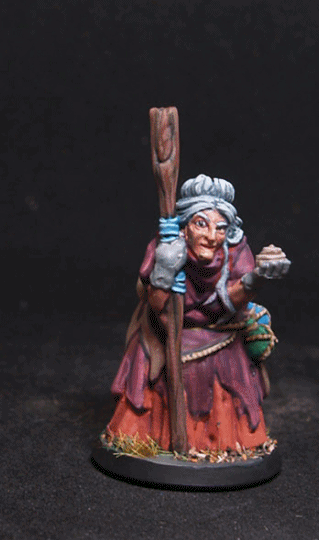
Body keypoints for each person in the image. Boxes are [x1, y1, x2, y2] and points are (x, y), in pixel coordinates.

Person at [105, 174, 290, 452]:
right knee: (155, 367)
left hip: (220, 329)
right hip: (169, 329)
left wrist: (257, 277)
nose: (211, 236)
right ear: (185, 227)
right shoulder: (166, 246)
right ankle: (156, 435)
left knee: (231, 366)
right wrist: (164, 271)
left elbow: (231, 301)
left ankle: (225, 442)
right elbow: (156, 303)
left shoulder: (235, 251)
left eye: (220, 228)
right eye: (201, 224)